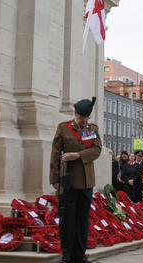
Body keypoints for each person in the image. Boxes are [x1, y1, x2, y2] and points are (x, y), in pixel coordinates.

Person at [50, 97, 102, 263]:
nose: (84, 120)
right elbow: (55, 154)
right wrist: (55, 180)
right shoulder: (63, 128)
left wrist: (78, 155)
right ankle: (66, 254)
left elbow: (96, 150)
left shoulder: (92, 129)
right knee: (67, 219)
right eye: (81, 117)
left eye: (86, 118)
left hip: (86, 181)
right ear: (75, 114)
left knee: (82, 219)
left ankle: (79, 254)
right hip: (68, 181)